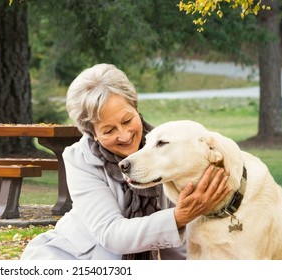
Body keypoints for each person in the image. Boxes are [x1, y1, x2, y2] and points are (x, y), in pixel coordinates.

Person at [21, 63, 230, 260]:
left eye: (127, 120)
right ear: (92, 134)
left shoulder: (169, 149)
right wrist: (178, 217)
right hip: (69, 260)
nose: (124, 135)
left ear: (136, 108)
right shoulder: (79, 159)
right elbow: (111, 233)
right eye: (109, 130)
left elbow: (180, 245)